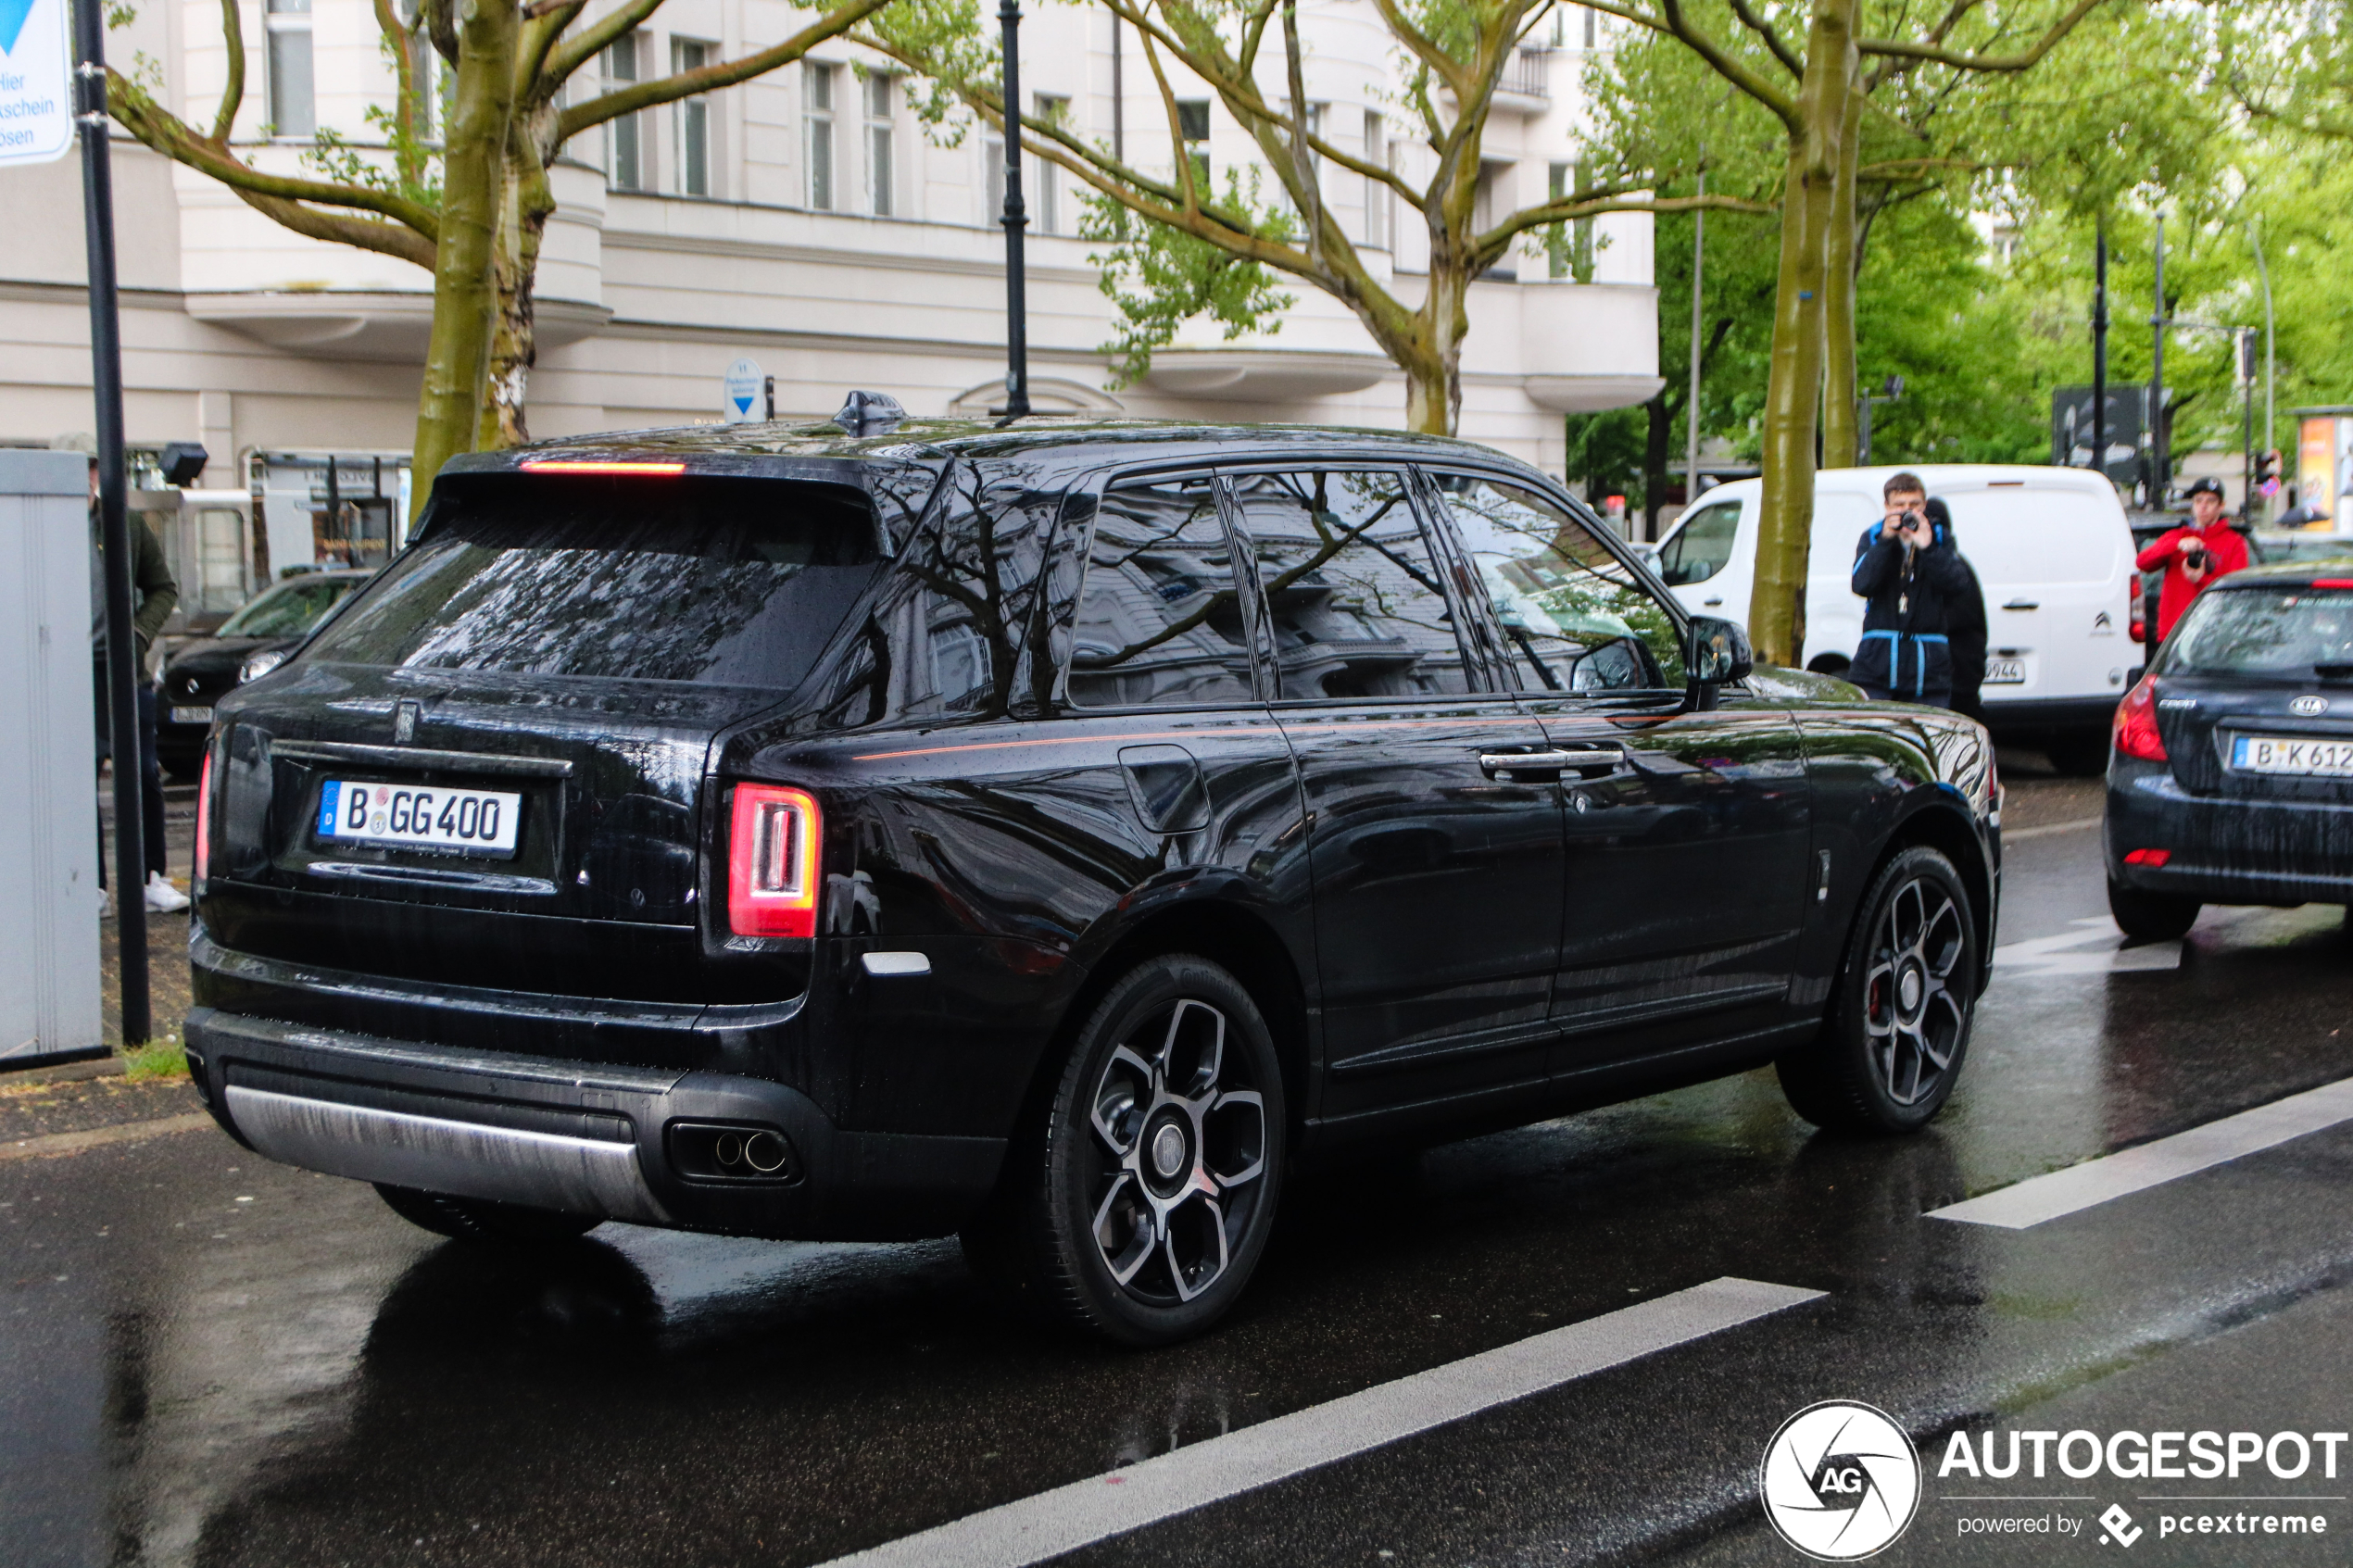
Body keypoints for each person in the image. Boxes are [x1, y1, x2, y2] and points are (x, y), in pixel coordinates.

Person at [82, 448, 187, 914]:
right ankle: (91, 884)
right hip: (71, 672)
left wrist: (141, 633)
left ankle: (150, 877)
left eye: (91, 470)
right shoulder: (45, 525)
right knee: (78, 781)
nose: (87, 480)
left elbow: (163, 587)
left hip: (126, 670)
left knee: (144, 774)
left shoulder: (123, 523)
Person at [1849, 471, 1975, 709]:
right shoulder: (1873, 537)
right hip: (1877, 666)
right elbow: (1861, 584)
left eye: (1914, 505)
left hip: (1928, 672)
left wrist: (1928, 548)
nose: (1907, 511)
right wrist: (1886, 541)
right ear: (1886, 507)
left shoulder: (1938, 538)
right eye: (1899, 505)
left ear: (1924, 505)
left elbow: (1958, 585)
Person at [2136, 476, 2248, 644]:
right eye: (2198, 501)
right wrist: (2178, 545)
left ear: (2221, 506)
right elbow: (2142, 562)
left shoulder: (2235, 543)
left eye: (2210, 501)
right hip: (2174, 631)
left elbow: (2238, 591)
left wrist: (2201, 579)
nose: (2203, 506)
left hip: (2215, 632)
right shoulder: (2176, 536)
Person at [1925, 496, 1990, 720]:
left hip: (1956, 676)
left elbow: (1957, 617)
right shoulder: (1957, 564)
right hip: (1956, 674)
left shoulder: (1953, 568)